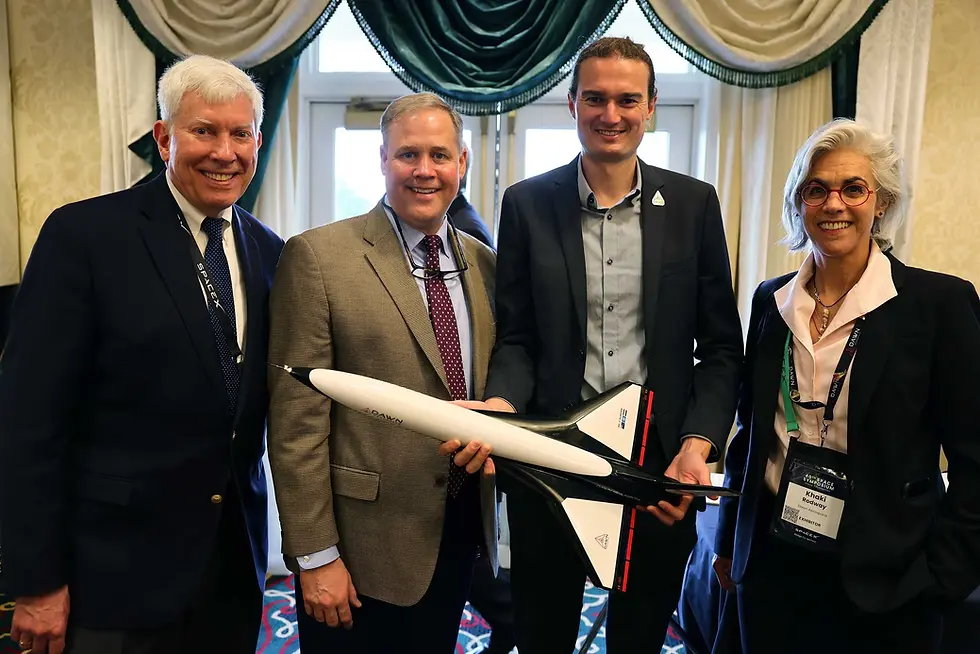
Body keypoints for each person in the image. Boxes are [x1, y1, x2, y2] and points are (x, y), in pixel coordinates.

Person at [0, 55, 284, 654]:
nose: (224, 152)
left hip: (231, 570)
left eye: (240, 134)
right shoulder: (84, 238)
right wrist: (37, 581)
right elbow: (29, 424)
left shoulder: (270, 252)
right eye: (203, 130)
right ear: (163, 138)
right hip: (112, 576)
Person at [472, 36, 743, 652]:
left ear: (651, 107)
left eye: (627, 99)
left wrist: (698, 446)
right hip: (551, 452)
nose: (610, 114)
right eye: (594, 97)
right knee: (542, 631)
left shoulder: (694, 205)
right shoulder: (527, 204)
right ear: (571, 104)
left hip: (660, 464)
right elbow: (517, 338)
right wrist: (502, 406)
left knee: (640, 633)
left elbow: (722, 350)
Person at [713, 119, 980, 653]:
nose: (834, 204)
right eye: (817, 190)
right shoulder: (772, 301)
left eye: (853, 188)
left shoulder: (938, 306)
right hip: (773, 563)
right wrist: (728, 541)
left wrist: (944, 578)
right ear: (799, 204)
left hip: (888, 575)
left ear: (879, 202)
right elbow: (752, 432)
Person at [267, 92, 499, 653]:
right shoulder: (318, 258)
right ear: (382, 159)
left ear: (462, 163)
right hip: (359, 550)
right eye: (408, 155)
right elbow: (296, 423)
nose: (425, 170)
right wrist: (316, 556)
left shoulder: (486, 264)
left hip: (456, 533)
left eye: (440, 155)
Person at [447, 154, 494, 248]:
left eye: (439, 157)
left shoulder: (468, 232)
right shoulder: (460, 217)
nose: (425, 171)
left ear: (461, 166)